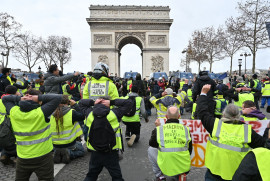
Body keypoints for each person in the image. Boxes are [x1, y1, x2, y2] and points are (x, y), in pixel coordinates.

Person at [197, 84, 268, 181]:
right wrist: (267, 130)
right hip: (237, 175)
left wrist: (203, 93)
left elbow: (202, 112)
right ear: (239, 115)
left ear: (224, 114)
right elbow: (263, 145)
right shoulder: (247, 130)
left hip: (214, 173)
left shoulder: (215, 125)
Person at [2, 89, 62, 180]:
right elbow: (58, 97)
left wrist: (21, 98)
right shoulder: (41, 112)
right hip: (43, 156)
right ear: (39, 102)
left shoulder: (14, 112)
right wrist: (37, 97)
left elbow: (5, 98)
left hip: (23, 157)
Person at [83, 97, 132, 181]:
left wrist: (93, 102)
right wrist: (112, 102)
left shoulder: (89, 113)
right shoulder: (115, 113)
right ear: (107, 104)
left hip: (95, 151)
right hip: (111, 150)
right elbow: (129, 103)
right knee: (116, 177)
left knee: (91, 175)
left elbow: (80, 103)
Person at [148, 106, 192, 181]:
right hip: (184, 167)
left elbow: (152, 144)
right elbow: (190, 150)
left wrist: (157, 128)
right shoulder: (185, 129)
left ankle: (160, 176)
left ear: (166, 117)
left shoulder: (159, 129)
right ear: (179, 116)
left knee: (151, 149)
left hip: (166, 167)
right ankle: (181, 174)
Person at [50, 95, 85, 164]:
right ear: (68, 102)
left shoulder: (50, 112)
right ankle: (69, 153)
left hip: (54, 144)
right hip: (69, 143)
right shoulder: (71, 112)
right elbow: (82, 116)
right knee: (81, 151)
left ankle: (56, 153)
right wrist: (75, 105)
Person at [0, 85, 20, 165]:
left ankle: (4, 155)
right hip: (12, 122)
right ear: (15, 92)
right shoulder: (14, 101)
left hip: (1, 123)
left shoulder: (1, 100)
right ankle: (17, 157)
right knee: (16, 140)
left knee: (5, 139)